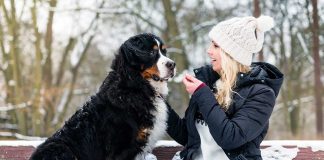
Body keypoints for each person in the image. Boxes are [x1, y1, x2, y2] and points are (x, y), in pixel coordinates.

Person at [167, 15, 284, 160]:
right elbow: (187, 136)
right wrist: (157, 102)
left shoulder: (262, 94)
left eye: (216, 46)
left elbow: (231, 138)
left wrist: (202, 94)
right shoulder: (209, 84)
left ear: (232, 54)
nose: (209, 51)